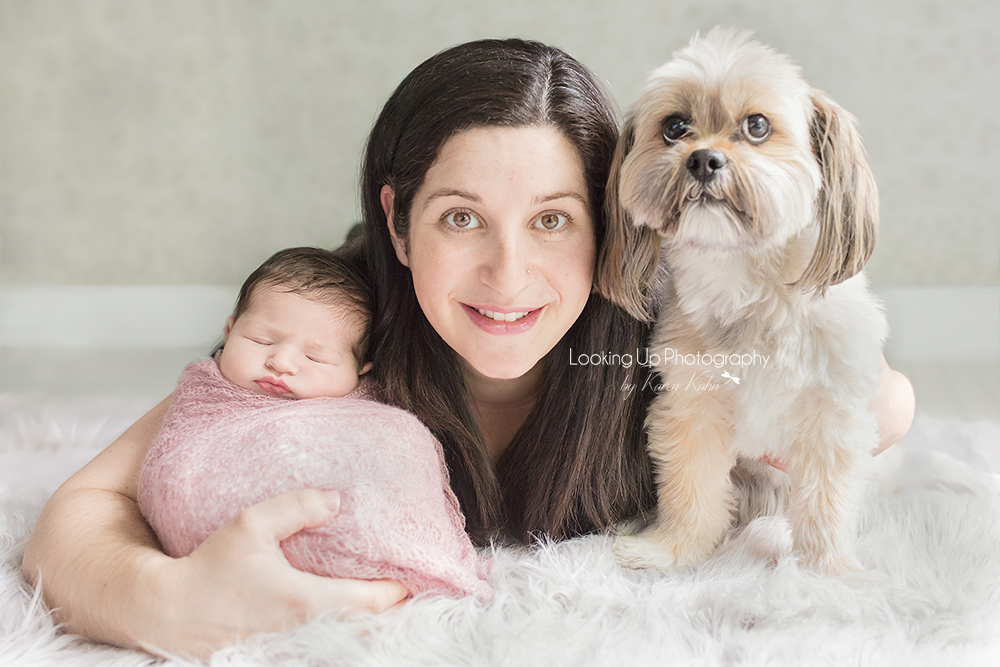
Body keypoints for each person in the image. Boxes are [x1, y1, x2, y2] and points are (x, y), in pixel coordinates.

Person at [21, 38, 915, 659]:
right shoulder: (335, 327)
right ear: (397, 224)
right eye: (460, 218)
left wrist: (862, 408)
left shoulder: (660, 323)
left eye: (553, 221)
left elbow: (880, 401)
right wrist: (168, 602)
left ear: (608, 219)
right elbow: (85, 505)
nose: (508, 273)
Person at [138, 246, 489, 600]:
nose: (282, 361)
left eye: (315, 356)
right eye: (262, 340)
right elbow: (176, 460)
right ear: (229, 332)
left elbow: (396, 458)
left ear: (360, 370)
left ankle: (379, 560)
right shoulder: (206, 390)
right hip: (230, 550)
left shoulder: (369, 412)